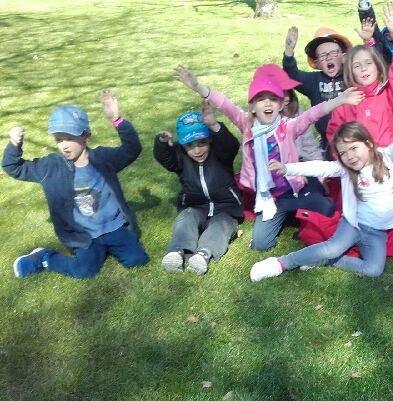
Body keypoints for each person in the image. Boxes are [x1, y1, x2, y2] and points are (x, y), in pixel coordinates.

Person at [174, 64, 363, 251]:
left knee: (326, 207)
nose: (267, 103)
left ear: (281, 105)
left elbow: (312, 114)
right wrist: (197, 86)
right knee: (261, 244)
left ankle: (299, 209)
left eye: (273, 99)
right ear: (252, 107)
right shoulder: (246, 124)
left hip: (293, 192)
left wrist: (340, 99)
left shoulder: (289, 126)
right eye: (261, 99)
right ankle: (287, 215)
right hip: (270, 199)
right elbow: (225, 104)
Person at [250, 109, 393, 280]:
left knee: (374, 270)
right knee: (332, 248)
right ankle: (282, 263)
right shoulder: (345, 169)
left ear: (369, 144)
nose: (350, 156)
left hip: (377, 232)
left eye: (354, 148)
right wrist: (287, 168)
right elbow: (319, 167)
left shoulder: (387, 158)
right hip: (352, 225)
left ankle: (321, 259)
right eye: (343, 153)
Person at [5, 91, 149, 279]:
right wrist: (14, 145)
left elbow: (132, 149)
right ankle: (44, 258)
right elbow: (13, 167)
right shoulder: (50, 167)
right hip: (83, 235)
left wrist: (117, 120)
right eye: (58, 139)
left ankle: (109, 248)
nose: (64, 145)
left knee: (138, 259)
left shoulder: (104, 159)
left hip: (113, 226)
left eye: (69, 138)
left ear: (86, 136)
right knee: (85, 271)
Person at [153, 102, 243, 274]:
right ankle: (177, 251)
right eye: (190, 145)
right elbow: (166, 159)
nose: (197, 150)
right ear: (182, 146)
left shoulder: (220, 153)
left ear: (210, 139)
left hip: (226, 207)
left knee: (220, 226)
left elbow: (231, 145)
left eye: (202, 143)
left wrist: (214, 125)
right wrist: (162, 143)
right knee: (186, 218)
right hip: (195, 206)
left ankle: (203, 254)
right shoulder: (181, 158)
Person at [326, 3, 393, 149]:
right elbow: (334, 136)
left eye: (368, 63)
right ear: (351, 72)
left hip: (387, 160)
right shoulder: (345, 103)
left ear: (378, 67)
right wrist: (346, 157)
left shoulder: (389, 95)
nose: (363, 68)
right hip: (356, 162)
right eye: (357, 66)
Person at [283, 26, 352, 150]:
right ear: (317, 63)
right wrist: (289, 51)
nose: (329, 58)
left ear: (343, 57)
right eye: (323, 55)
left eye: (334, 53)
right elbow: (292, 75)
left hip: (354, 137)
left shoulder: (353, 76)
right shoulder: (313, 81)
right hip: (328, 142)